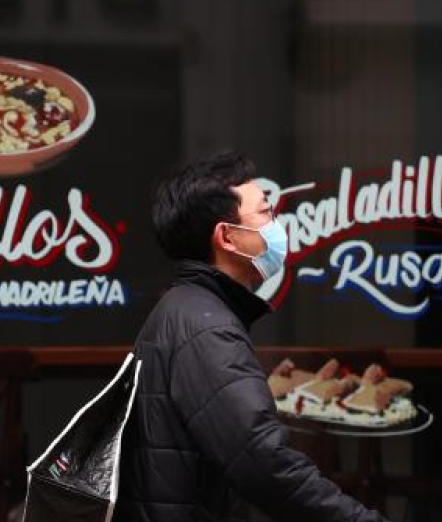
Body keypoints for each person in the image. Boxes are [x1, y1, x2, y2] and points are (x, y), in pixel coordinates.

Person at [113, 151, 390, 522]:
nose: (277, 225)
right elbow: (264, 463)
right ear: (227, 237)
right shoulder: (206, 327)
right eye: (265, 214)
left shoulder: (187, 310)